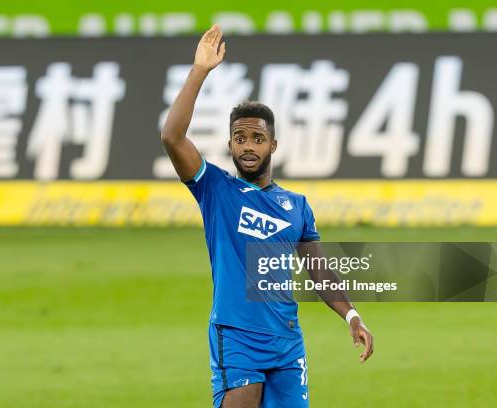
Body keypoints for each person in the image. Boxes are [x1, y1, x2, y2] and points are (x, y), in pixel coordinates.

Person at [160, 24, 374, 408]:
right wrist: (200, 71)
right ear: (229, 144)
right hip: (238, 336)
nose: (248, 146)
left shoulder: (297, 205)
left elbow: (319, 271)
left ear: (272, 144)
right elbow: (172, 137)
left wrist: (352, 316)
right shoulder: (215, 189)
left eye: (257, 139)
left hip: (287, 342)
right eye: (240, 138)